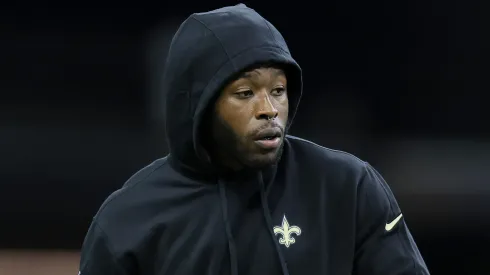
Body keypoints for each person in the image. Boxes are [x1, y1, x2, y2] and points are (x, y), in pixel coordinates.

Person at [79, 4, 429, 275]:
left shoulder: (347, 187)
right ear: (199, 106)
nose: (268, 109)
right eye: (245, 93)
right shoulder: (127, 222)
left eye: (278, 90)